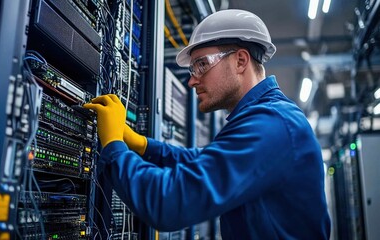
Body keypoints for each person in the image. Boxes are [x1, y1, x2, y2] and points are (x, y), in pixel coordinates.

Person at [84, 9, 331, 239]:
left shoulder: (271, 125)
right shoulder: (268, 118)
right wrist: (143, 145)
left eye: (202, 64)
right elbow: (202, 159)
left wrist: (114, 145)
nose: (191, 81)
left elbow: (167, 203)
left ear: (241, 61)